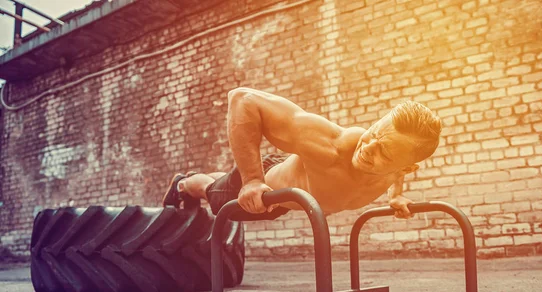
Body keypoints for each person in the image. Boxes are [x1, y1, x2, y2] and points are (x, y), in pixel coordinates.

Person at [162, 87, 441, 220]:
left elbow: (393, 172)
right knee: (216, 194)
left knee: (222, 181)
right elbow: (242, 99)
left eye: (384, 152)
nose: (367, 149)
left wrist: (396, 195)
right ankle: (183, 184)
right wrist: (251, 180)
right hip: (269, 189)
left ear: (406, 168)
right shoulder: (329, 146)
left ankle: (214, 179)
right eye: (373, 133)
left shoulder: (396, 169)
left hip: (288, 200)